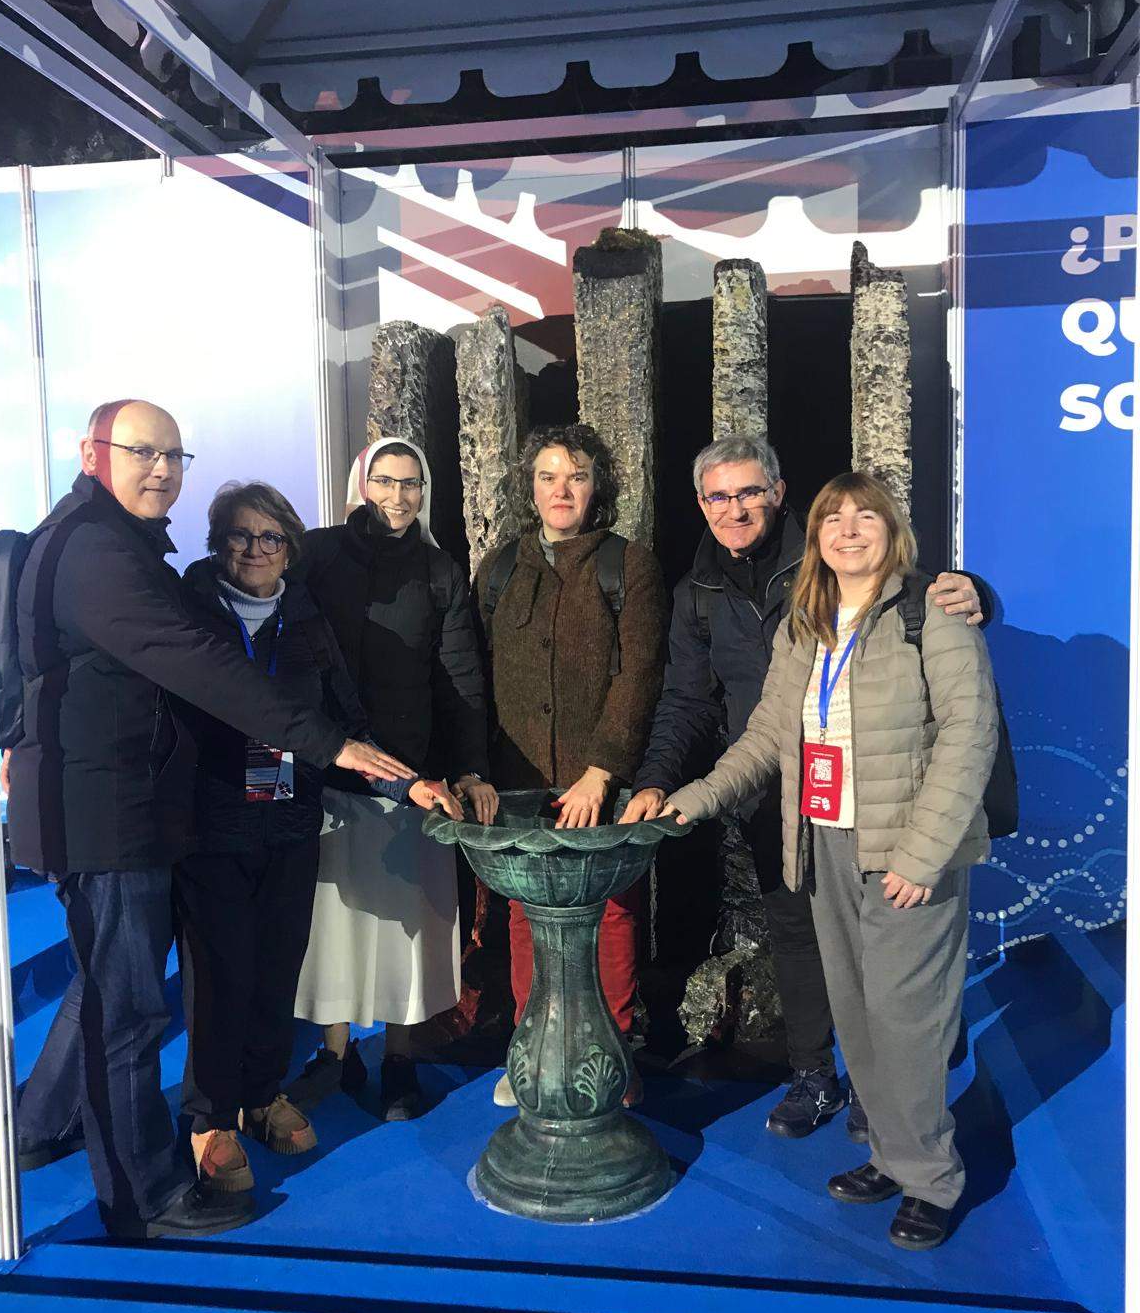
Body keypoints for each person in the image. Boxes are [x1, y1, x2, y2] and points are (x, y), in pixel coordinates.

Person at [8, 400, 415, 1241]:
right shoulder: (103, 553)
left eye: (172, 455)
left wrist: (376, 764)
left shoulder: (125, 544)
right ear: (92, 453)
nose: (160, 469)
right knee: (132, 1011)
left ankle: (39, 1124)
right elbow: (199, 667)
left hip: (169, 810)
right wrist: (328, 744)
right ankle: (146, 1197)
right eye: (141, 452)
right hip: (121, 813)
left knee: (108, 985)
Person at [662, 471, 998, 1250]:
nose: (848, 530)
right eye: (832, 519)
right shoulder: (805, 625)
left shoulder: (932, 615)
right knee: (857, 1011)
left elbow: (968, 735)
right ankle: (887, 1152)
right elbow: (767, 734)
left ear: (894, 531)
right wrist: (698, 797)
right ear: (815, 536)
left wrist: (921, 855)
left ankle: (931, 1179)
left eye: (865, 517)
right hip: (825, 841)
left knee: (907, 1021)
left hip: (909, 848)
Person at [175, 480, 422, 1192]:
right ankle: (210, 1115)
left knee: (277, 965)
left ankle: (261, 1094)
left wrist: (404, 783)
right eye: (241, 535)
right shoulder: (192, 611)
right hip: (211, 825)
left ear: (290, 548)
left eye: (271, 537)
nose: (256, 550)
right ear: (218, 543)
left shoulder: (306, 617)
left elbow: (344, 717)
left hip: (289, 819)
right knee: (219, 976)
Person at [293, 436, 494, 1120]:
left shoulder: (439, 572)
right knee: (332, 923)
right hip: (327, 771)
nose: (398, 496)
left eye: (410, 483)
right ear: (362, 484)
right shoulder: (317, 555)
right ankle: (336, 1053)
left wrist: (468, 766)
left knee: (410, 928)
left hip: (412, 779)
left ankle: (401, 1058)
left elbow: (460, 678)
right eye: (384, 481)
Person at [476, 423, 667, 1107]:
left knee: (609, 912)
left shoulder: (629, 566)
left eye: (577, 477)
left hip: (599, 784)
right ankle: (533, 1053)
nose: (562, 490)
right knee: (525, 911)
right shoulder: (499, 569)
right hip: (519, 780)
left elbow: (641, 674)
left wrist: (602, 770)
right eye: (548, 477)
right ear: (530, 488)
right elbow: (476, 673)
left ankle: (609, 1056)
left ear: (596, 487)